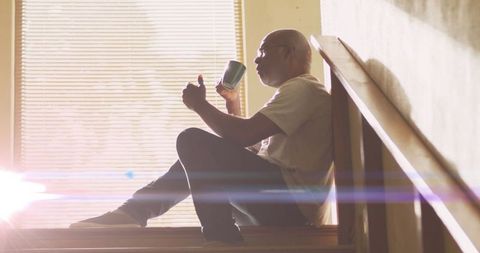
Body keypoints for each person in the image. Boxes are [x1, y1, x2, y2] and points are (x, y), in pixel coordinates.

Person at [70, 29, 333, 244]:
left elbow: (243, 136)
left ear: (288, 53)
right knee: (195, 156)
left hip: (288, 204)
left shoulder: (303, 89)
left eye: (263, 52)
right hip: (281, 202)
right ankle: (132, 212)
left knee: (192, 140)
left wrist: (200, 105)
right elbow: (250, 147)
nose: (256, 61)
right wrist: (233, 104)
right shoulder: (299, 94)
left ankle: (216, 233)